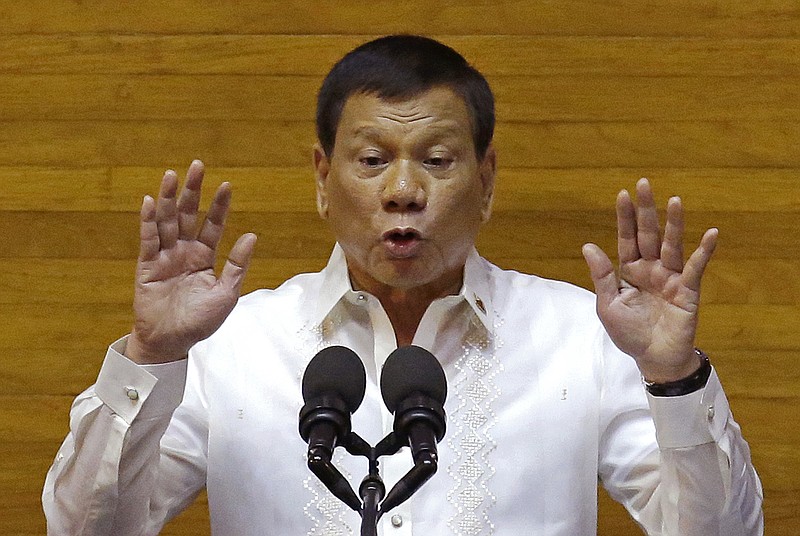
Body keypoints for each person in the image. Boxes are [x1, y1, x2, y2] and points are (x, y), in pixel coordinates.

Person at [43, 35, 763, 535]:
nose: (404, 191)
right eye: (371, 159)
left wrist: (672, 378)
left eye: (439, 160)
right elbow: (82, 531)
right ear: (323, 179)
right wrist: (152, 354)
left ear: (486, 181)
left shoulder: (585, 336)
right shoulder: (230, 343)